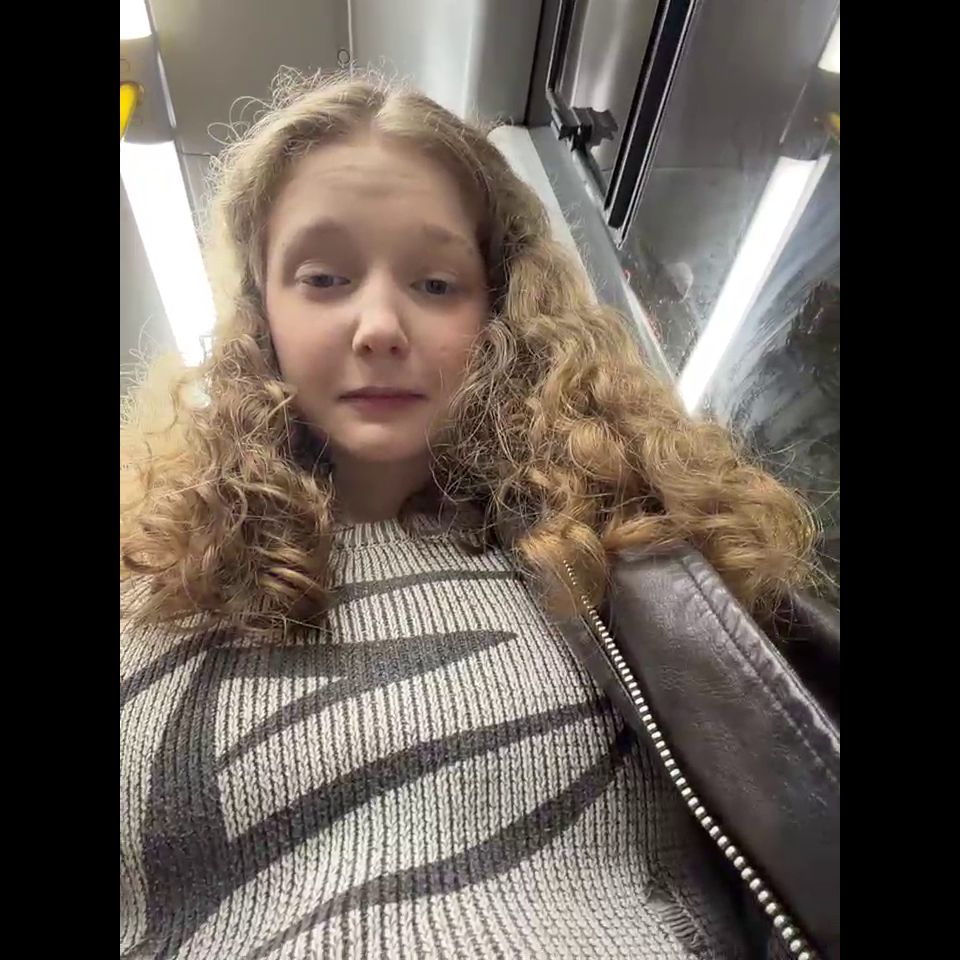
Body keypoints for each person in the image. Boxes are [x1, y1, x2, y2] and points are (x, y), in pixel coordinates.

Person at [120, 71, 839, 960]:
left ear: (498, 313)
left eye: (434, 283)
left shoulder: (625, 563)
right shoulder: (147, 587)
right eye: (325, 277)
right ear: (259, 313)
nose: (379, 325)